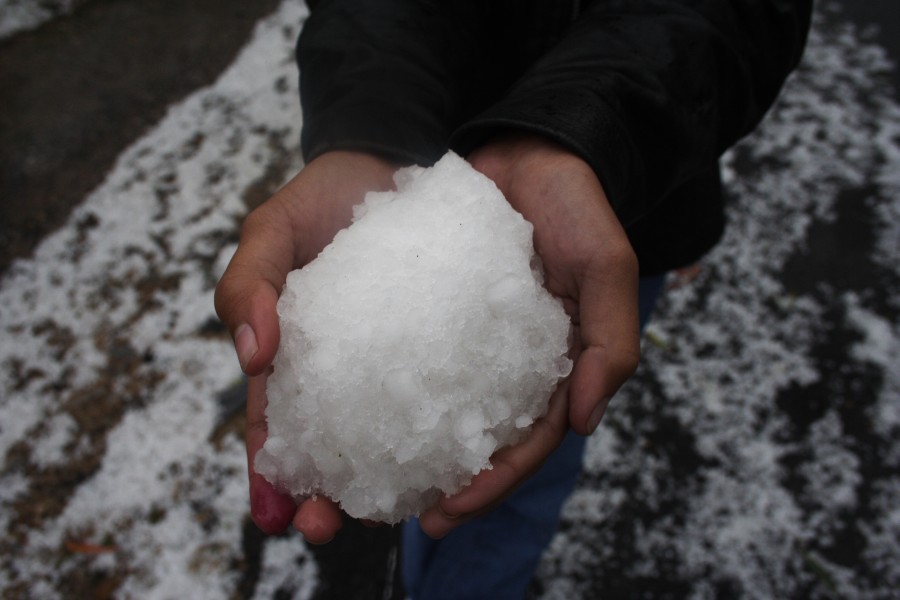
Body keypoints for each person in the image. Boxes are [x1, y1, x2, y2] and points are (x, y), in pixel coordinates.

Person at [214, 1, 812, 597]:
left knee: (527, 472)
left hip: (624, 188)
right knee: (465, 487)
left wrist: (593, 127)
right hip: (435, 140)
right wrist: (370, 124)